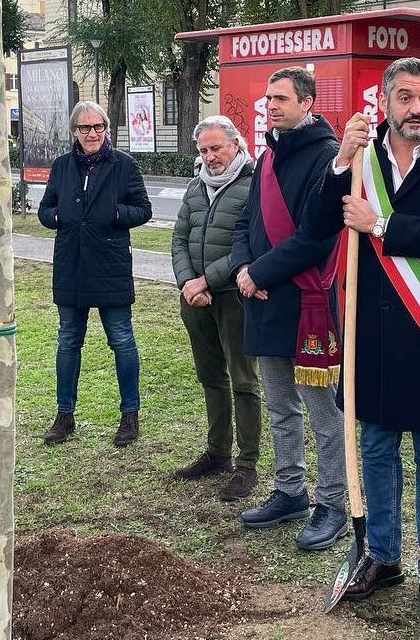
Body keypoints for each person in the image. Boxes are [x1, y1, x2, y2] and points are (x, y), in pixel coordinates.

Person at [308, 57, 420, 620]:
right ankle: (383, 557)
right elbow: (316, 223)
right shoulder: (359, 159)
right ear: (385, 100)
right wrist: (339, 159)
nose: (417, 108)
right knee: (378, 449)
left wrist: (381, 226)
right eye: (406, 96)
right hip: (372, 334)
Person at [229, 66, 348, 551]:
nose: (271, 106)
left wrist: (260, 273)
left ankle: (334, 502)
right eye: (268, 100)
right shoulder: (268, 156)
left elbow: (316, 237)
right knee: (281, 407)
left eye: (281, 98)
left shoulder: (327, 156)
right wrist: (242, 267)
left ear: (308, 103)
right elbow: (246, 220)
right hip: (263, 300)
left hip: (305, 304)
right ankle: (290, 490)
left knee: (324, 413)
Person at [38, 100, 153, 447]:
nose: (93, 133)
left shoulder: (124, 165)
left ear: (106, 129)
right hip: (71, 265)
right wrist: (57, 218)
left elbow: (143, 209)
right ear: (74, 131)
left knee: (121, 339)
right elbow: (45, 209)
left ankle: (129, 414)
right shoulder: (61, 166)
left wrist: (114, 214)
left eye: (99, 127)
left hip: (110, 265)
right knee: (68, 341)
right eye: (85, 128)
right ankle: (64, 414)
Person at [170, 115, 261, 502]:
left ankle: (247, 465)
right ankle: (217, 453)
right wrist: (188, 284)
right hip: (196, 299)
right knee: (210, 378)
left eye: (216, 148)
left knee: (243, 380)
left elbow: (250, 245)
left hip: (234, 298)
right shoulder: (195, 187)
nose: (210, 157)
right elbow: (178, 239)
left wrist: (205, 280)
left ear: (235, 145)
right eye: (204, 150)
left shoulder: (253, 185)